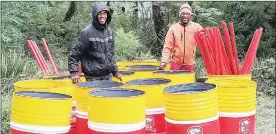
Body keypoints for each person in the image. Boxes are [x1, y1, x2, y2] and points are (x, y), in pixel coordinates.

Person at [68, 3, 122, 84]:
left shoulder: (110, 31)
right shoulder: (86, 32)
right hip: (93, 78)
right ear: (95, 15)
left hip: (108, 76)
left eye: (104, 13)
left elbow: (111, 54)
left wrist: (115, 71)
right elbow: (74, 55)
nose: (102, 16)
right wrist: (74, 73)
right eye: (99, 14)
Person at [159, 3, 203, 72]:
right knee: (175, 82)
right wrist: (164, 62)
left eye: (187, 14)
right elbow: (168, 46)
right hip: (175, 63)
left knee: (189, 82)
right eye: (183, 13)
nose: (185, 16)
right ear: (179, 15)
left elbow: (204, 42)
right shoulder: (173, 28)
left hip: (190, 63)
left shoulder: (197, 27)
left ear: (190, 15)